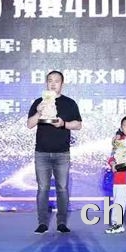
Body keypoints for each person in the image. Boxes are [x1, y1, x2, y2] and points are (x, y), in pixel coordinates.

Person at [27, 71, 82, 234]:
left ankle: (62, 222)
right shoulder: (39, 102)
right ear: (46, 83)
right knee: (43, 188)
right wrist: (39, 112)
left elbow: (78, 125)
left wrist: (64, 124)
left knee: (62, 188)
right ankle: (42, 223)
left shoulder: (69, 103)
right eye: (50, 80)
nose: (53, 84)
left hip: (62, 153)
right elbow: (29, 124)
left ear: (62, 84)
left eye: (56, 81)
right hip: (42, 153)